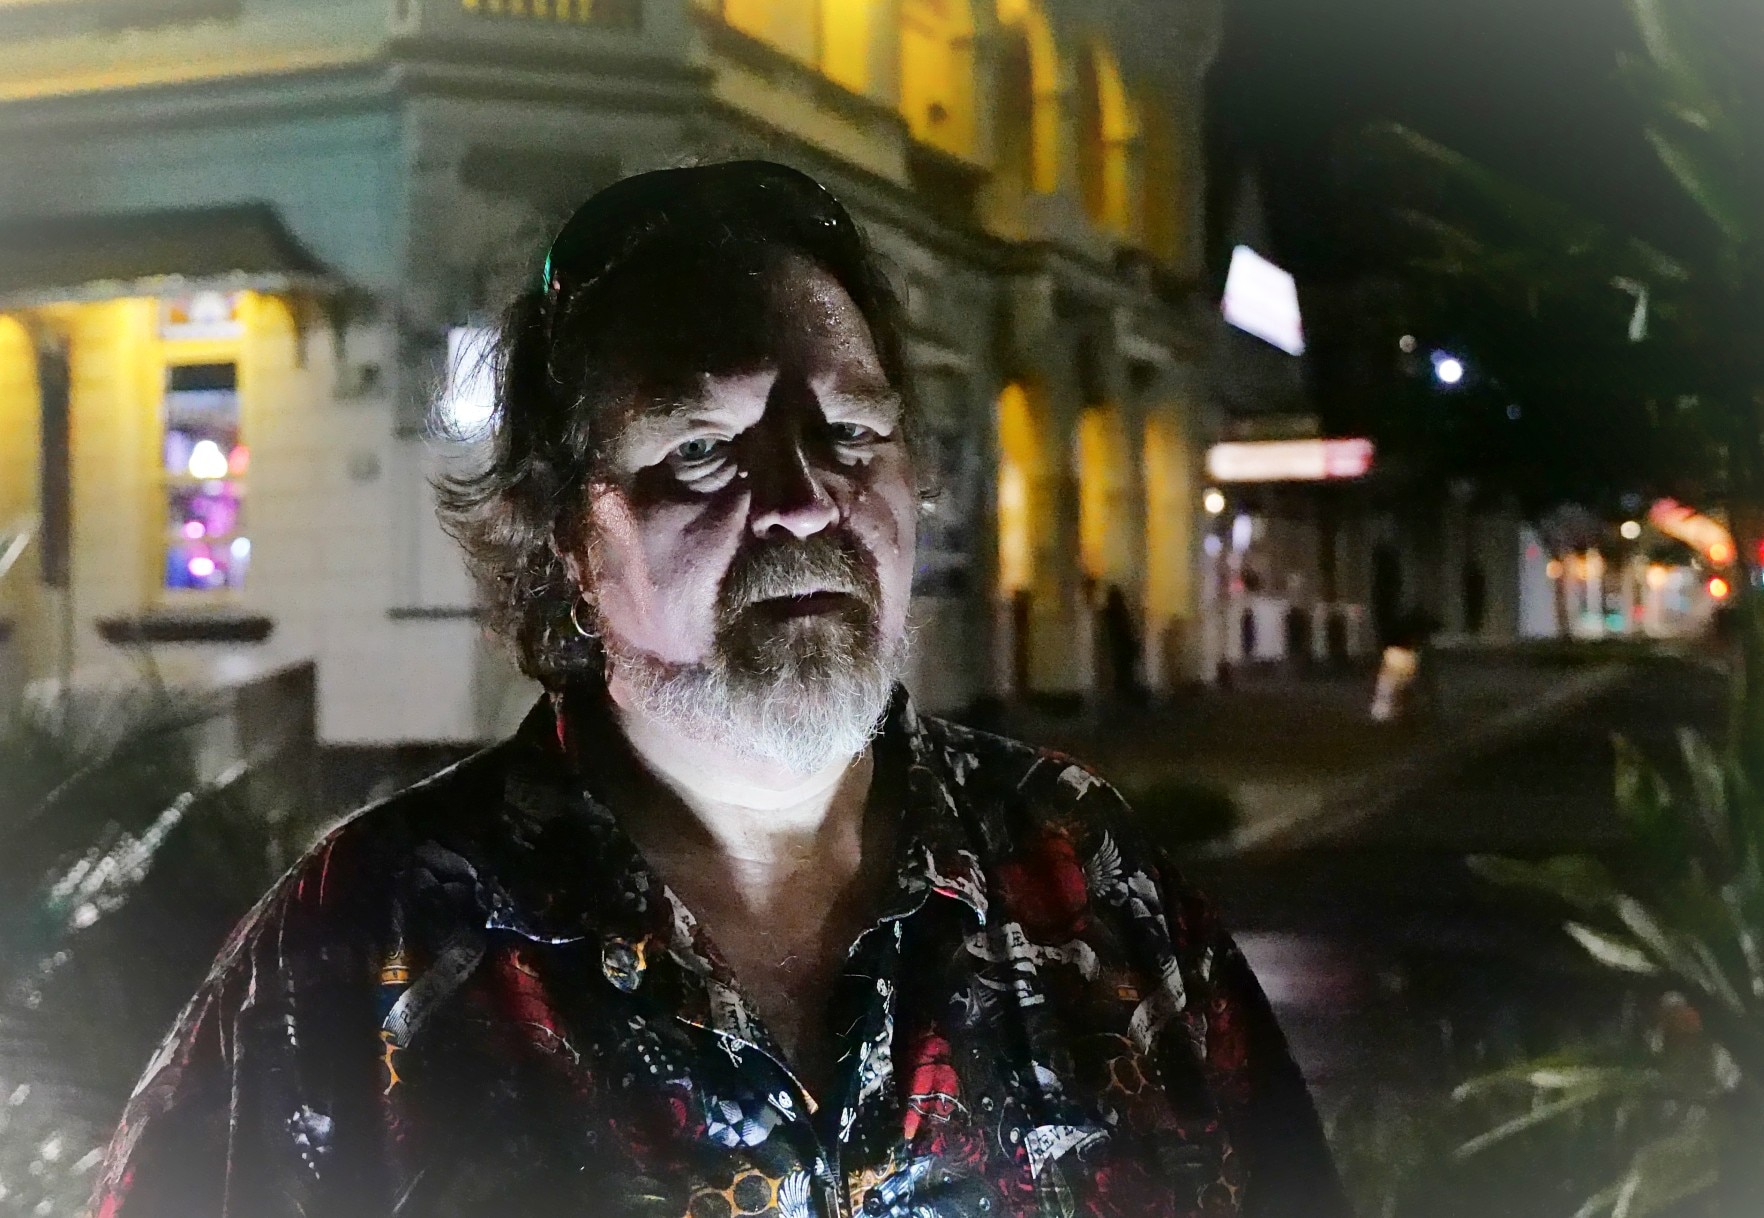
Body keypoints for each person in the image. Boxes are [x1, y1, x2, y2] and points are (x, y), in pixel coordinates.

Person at [94, 162, 1349, 1218]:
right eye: (701, 451)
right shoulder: (361, 952)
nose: (809, 497)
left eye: (853, 435)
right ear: (564, 542)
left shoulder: (1087, 881)